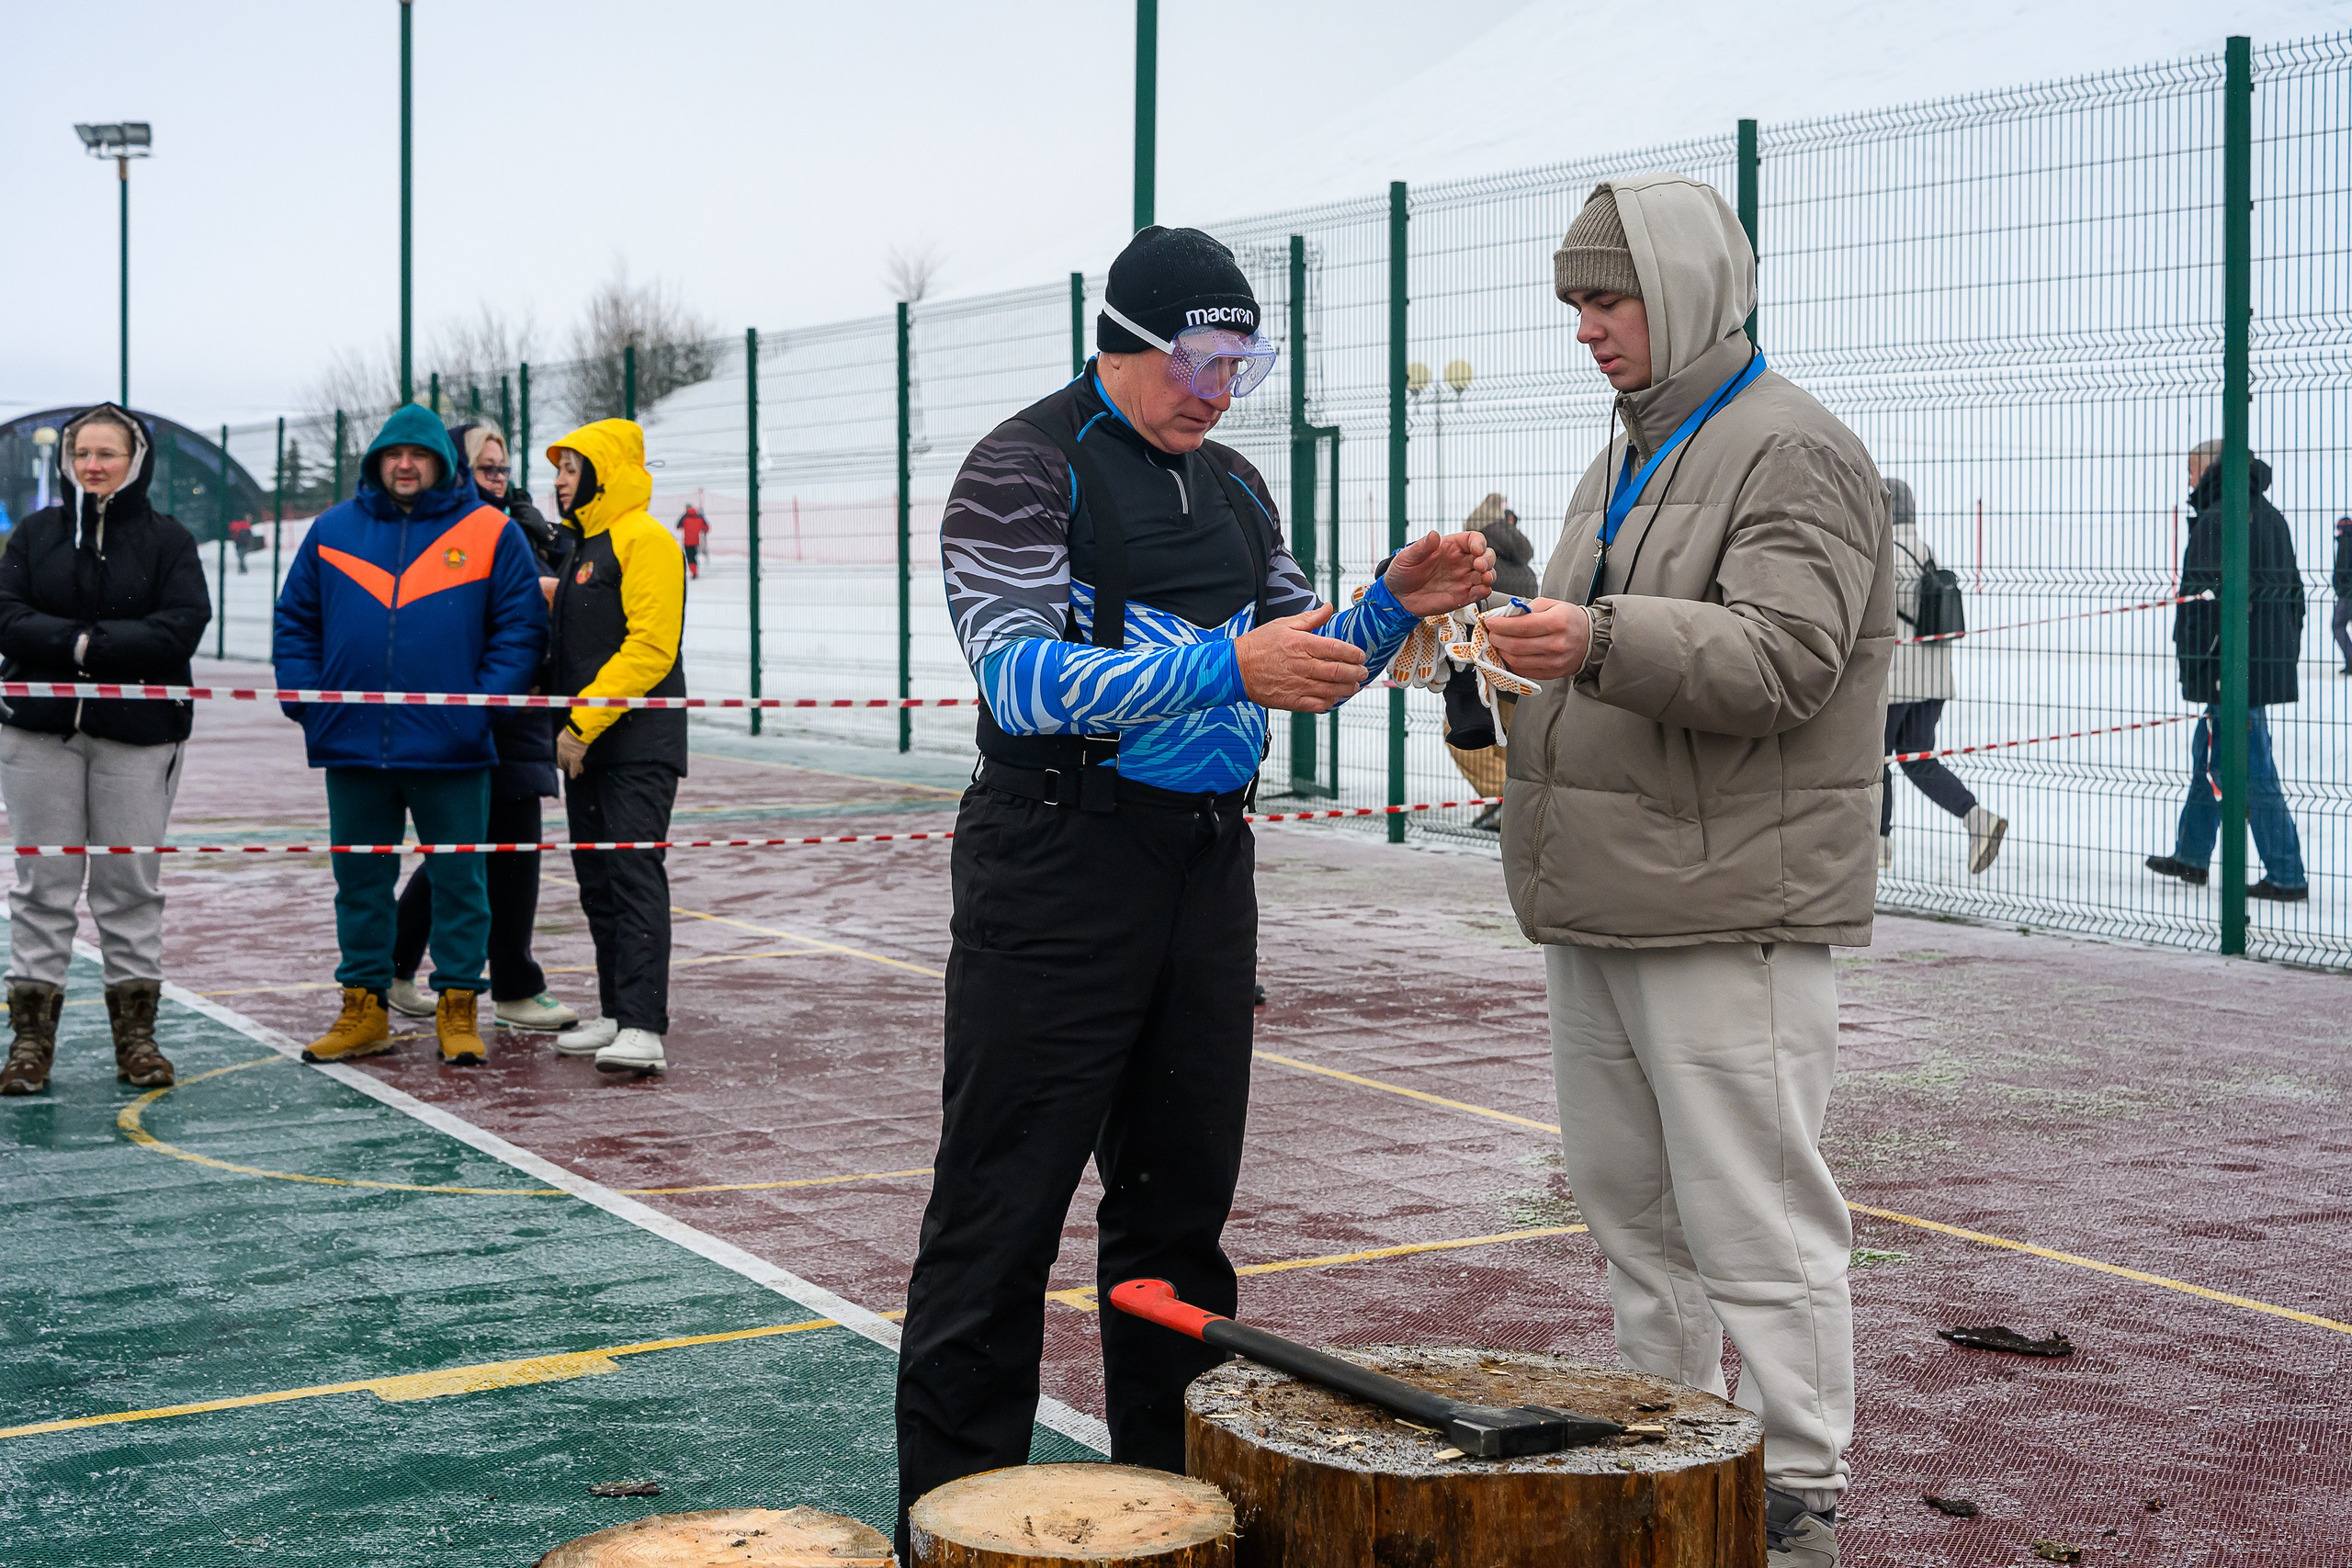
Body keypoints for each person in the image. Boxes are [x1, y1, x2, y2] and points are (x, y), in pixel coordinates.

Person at [893, 224, 1495, 1560]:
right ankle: (945, 1529)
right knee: (1000, 1211)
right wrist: (1229, 666)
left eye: (1246, 361)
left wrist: (1392, 604)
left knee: (1177, 1217)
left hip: (1206, 866)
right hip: (1057, 862)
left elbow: (1308, 652)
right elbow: (1020, 679)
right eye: (1204, 359)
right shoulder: (1021, 464)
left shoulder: (1232, 483)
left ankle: (1169, 1517)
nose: (1222, 388)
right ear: (1126, 340)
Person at [1481, 175, 1892, 1567]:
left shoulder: (1794, 451)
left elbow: (1785, 661)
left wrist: (1588, 635)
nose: (1586, 329)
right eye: (1575, 305)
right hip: (1603, 898)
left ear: (1692, 287)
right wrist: (1491, 647)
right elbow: (1603, 652)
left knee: (1756, 1220)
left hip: (1731, 912)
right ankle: (1664, 1442)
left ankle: (1799, 1493)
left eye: (1610, 299)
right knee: (1629, 1212)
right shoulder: (1624, 455)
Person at [273, 406, 549, 1066]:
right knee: (359, 882)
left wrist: (481, 709)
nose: (405, 464)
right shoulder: (332, 530)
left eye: (418, 455)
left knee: (461, 880)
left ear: (440, 463)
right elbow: (295, 623)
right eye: (393, 454)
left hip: (453, 745)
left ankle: (459, 1009)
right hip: (352, 743)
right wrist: (310, 703)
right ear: (377, 462)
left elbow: (520, 630)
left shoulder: (489, 532)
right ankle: (362, 1009)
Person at [0, 404, 210, 1096]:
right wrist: (80, 643)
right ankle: (30, 1041)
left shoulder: (169, 540)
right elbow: (7, 616)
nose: (93, 465)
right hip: (39, 732)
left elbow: (180, 626)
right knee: (43, 885)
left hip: (138, 738)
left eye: (108, 453)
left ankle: (137, 1039)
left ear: (135, 460)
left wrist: (89, 645)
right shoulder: (33, 535)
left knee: (128, 886)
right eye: (82, 453)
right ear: (67, 461)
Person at [387, 423, 578, 1032]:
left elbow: (562, 592)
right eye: (488, 470)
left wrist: (543, 534)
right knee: (500, 849)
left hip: (520, 712)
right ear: (460, 472)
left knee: (475, 849)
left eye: (504, 469)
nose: (503, 480)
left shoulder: (517, 527)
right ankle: (514, 982)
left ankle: (394, 965)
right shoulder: (455, 534)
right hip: (487, 711)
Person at [542, 420, 687, 1077]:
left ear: (603, 468)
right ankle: (614, 1009)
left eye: (571, 466)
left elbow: (650, 647)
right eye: (559, 468)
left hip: (635, 744)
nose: (560, 479)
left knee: (632, 875)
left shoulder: (645, 539)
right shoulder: (584, 544)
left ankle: (642, 1025)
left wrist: (582, 722)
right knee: (596, 880)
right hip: (588, 746)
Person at [2145, 439, 2306, 901]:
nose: (2188, 481)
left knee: (2253, 772)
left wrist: (2201, 662)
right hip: (2257, 662)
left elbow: (2204, 604)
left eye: (2192, 470)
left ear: (2214, 468)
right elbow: (2293, 596)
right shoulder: (2268, 514)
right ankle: (2192, 856)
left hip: (2230, 667)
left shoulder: (2222, 518)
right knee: (2209, 759)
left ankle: (2287, 875)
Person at [1883, 477, 2006, 874]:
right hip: (1932, 682)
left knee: (1872, 761)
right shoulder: (1924, 552)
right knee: (1917, 760)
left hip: (1897, 681)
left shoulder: (1886, 553)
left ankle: (1878, 849)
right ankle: (1977, 818)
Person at [1449, 494, 1537, 831]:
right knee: (1506, 741)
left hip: (1485, 668)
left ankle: (1508, 801)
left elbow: (1469, 615)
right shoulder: (1520, 563)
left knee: (1461, 735)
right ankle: (1511, 804)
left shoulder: (1485, 568)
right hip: (1519, 666)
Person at [2331, 514, 2352, 675]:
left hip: (2348, 593)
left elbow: (2343, 569)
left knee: (2338, 625)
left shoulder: (2345, 542)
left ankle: (2351, 660)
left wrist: (2340, 586)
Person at [677, 503, 710, 580]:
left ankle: (693, 572)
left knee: (690, 557)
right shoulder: (700, 517)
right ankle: (694, 571)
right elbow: (706, 528)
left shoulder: (685, 517)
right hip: (696, 541)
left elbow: (678, 526)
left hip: (687, 541)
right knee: (694, 557)